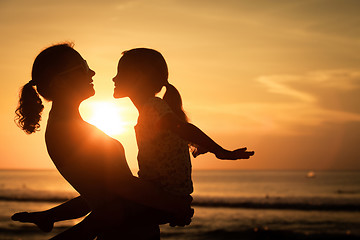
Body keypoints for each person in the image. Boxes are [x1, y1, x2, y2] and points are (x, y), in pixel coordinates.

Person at [13, 46, 254, 239]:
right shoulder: (72, 134)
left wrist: (52, 214)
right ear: (58, 83)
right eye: (83, 67)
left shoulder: (70, 130)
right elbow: (120, 192)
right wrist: (173, 205)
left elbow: (100, 192)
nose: (93, 73)